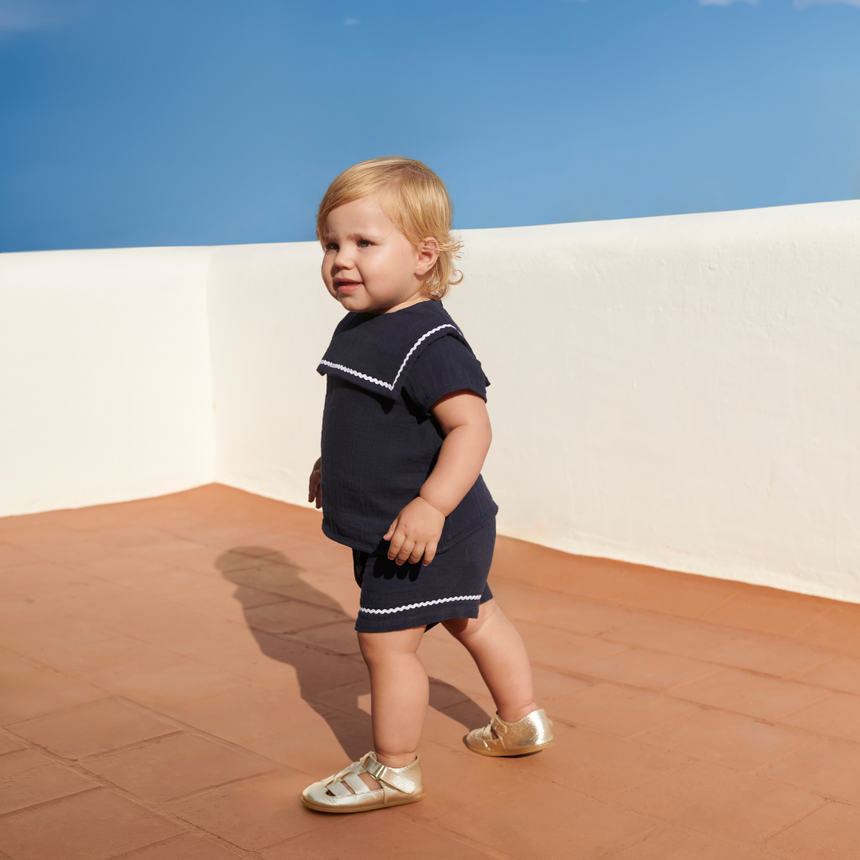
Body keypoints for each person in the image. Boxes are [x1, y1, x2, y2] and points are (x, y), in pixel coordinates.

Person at [301, 157, 553, 814]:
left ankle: (394, 769)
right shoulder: (362, 327)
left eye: (363, 243)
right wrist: (334, 464)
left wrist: (431, 504)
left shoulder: (429, 339)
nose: (340, 260)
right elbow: (368, 415)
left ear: (423, 255)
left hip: (424, 529)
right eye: (331, 244)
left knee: (385, 643)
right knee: (472, 615)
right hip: (407, 523)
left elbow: (471, 427)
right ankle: (521, 719)